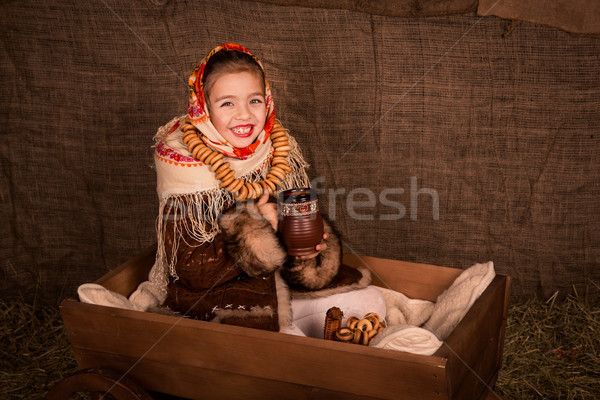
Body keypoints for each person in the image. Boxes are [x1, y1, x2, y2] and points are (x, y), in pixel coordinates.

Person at [147, 43, 373, 332]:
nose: (244, 115)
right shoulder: (183, 165)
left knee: (370, 300)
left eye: (254, 100)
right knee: (281, 335)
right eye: (227, 103)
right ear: (203, 108)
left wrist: (303, 251)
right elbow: (190, 270)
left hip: (275, 282)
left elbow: (289, 226)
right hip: (216, 295)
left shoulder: (276, 147)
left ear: (267, 100)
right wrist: (257, 226)